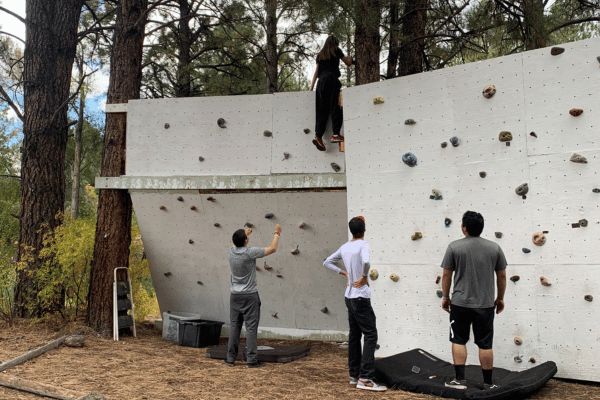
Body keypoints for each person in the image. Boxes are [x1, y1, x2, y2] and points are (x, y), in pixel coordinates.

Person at [440, 211, 507, 390]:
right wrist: (500, 298)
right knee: (485, 343)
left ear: (464, 228)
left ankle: (460, 380)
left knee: (458, 340)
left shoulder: (454, 247)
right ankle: (488, 383)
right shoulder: (495, 248)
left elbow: (446, 274)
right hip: (485, 305)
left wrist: (445, 297)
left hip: (460, 304)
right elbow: (502, 276)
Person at [323, 216, 387, 392]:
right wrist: (365, 276)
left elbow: (327, 261)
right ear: (364, 230)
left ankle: (354, 374)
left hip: (349, 297)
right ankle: (366, 378)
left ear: (352, 231)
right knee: (371, 335)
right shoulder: (363, 245)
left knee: (354, 335)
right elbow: (366, 262)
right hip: (360, 297)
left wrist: (344, 274)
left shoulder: (345, 247)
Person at [224, 224, 282, 368]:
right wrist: (277, 233)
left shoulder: (231, 252)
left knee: (234, 327)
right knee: (251, 327)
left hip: (235, 295)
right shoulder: (250, 252)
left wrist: (245, 233)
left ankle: (230, 359)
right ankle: (251, 360)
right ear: (245, 241)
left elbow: (235, 242)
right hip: (249, 296)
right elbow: (273, 249)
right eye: (247, 237)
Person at [309, 35, 353, 152]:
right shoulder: (336, 50)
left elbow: (316, 72)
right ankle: (335, 134)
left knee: (321, 110)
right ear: (335, 43)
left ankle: (318, 136)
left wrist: (312, 87)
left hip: (320, 83)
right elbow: (348, 63)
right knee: (335, 106)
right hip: (331, 79)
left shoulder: (320, 54)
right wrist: (353, 59)